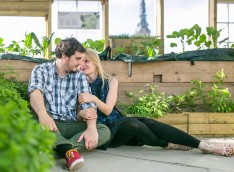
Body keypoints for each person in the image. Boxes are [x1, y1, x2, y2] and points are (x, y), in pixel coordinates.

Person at [78, 48, 234, 157]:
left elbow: (108, 109)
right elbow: (88, 113)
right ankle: (168, 144)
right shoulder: (79, 84)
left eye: (86, 61)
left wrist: (92, 98)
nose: (82, 64)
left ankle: (203, 145)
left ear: (95, 62)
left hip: (117, 122)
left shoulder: (111, 81)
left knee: (149, 122)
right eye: (80, 62)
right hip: (104, 131)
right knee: (135, 124)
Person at [28, 38, 110, 171]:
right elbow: (34, 93)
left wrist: (91, 127)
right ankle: (67, 151)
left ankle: (57, 150)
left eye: (83, 59)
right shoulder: (41, 70)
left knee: (104, 131)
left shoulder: (80, 76)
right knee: (35, 114)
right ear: (65, 57)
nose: (81, 63)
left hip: (71, 124)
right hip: (50, 122)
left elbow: (88, 105)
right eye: (78, 59)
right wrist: (43, 114)